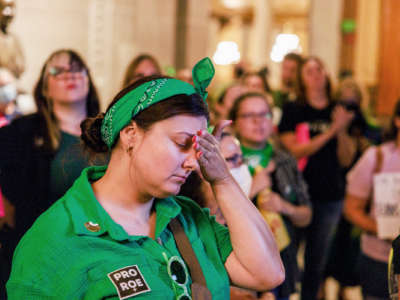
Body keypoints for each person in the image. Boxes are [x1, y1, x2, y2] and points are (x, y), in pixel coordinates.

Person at [7, 58, 284, 299]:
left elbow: (267, 273)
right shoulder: (56, 239)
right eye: (182, 143)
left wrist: (222, 179)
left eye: (198, 149)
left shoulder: (187, 218)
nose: (192, 162)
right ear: (130, 135)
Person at [0, 49, 101, 292]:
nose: (70, 75)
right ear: (45, 88)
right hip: (46, 250)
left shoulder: (109, 133)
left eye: (77, 69)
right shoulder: (21, 133)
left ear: (88, 81)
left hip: (101, 250)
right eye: (58, 71)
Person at [278, 56, 355, 300]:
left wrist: (341, 130)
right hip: (297, 194)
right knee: (288, 255)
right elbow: (295, 150)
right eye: (309, 71)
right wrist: (332, 130)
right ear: (301, 78)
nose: (315, 75)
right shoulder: (294, 109)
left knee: (316, 261)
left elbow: (346, 159)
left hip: (330, 194)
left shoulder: (338, 108)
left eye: (319, 69)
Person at [230, 91, 312, 300]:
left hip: (281, 259)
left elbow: (306, 215)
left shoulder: (285, 160)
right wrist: (252, 190)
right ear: (235, 123)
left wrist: (285, 207)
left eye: (264, 114)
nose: (258, 122)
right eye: (249, 116)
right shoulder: (224, 160)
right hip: (236, 264)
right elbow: (211, 215)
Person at [344, 99, 400, 300]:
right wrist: (384, 230)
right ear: (397, 120)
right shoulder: (376, 157)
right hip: (380, 260)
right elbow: (351, 208)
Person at [0, 0, 24, 79]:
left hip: (10, 83)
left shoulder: (13, 39)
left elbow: (20, 67)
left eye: (11, 7)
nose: (9, 13)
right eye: (4, 8)